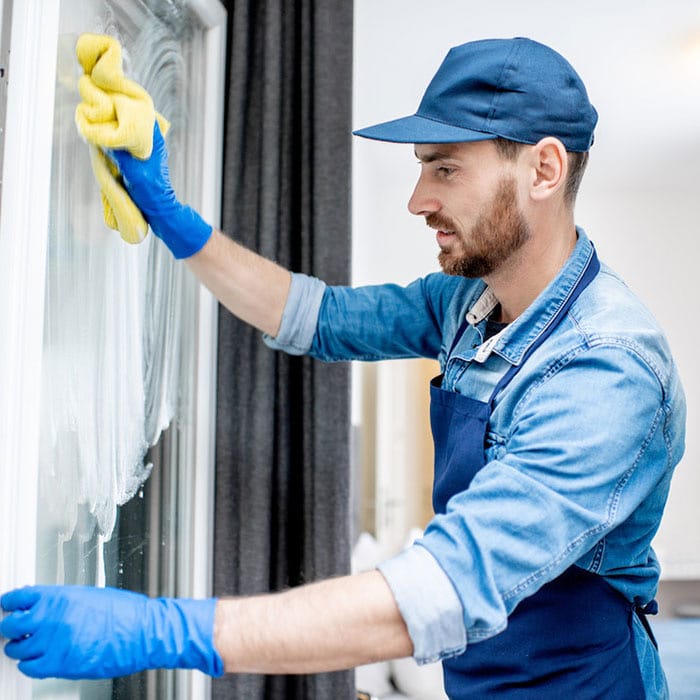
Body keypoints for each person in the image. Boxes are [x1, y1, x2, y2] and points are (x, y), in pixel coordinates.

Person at [1, 37, 685, 698]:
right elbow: (315, 317)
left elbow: (443, 588)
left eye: (444, 168)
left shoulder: (607, 373)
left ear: (543, 170)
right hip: (486, 677)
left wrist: (164, 630)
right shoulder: (467, 305)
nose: (418, 199)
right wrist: (176, 222)